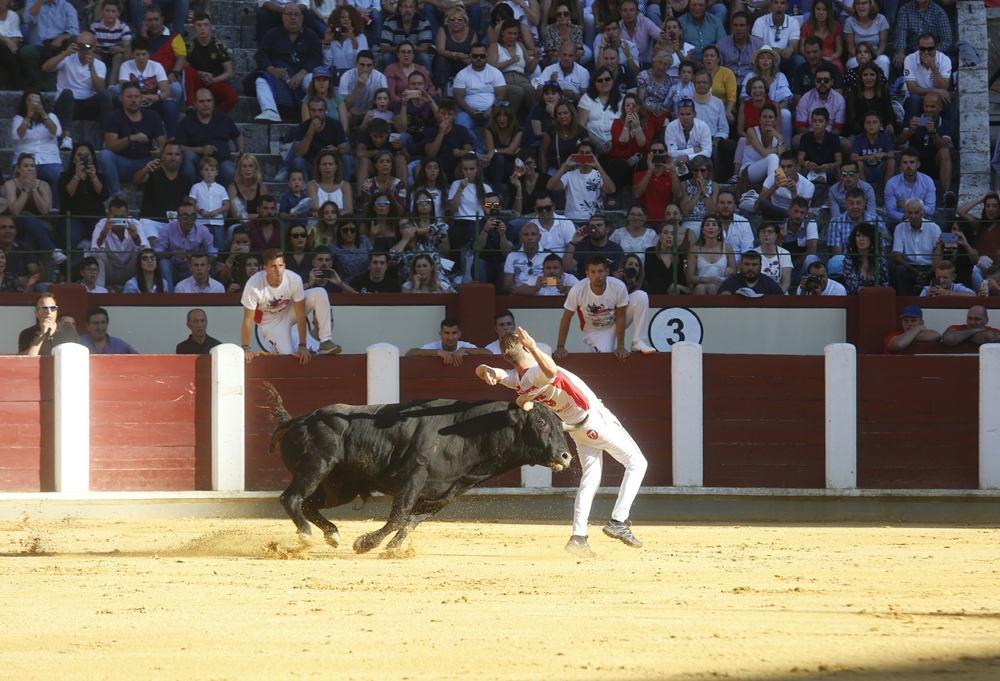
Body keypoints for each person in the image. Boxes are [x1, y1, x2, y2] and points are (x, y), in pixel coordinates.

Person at [477, 326, 648, 557]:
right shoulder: (537, 371)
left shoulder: (517, 380)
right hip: (595, 421)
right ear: (524, 347)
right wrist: (534, 347)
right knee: (637, 463)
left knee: (590, 479)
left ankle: (578, 537)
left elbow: (492, 372)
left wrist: (483, 369)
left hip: (577, 428)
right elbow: (550, 369)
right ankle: (619, 519)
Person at [241, 247, 342, 363]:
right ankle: (293, 343)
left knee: (320, 293)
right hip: (270, 323)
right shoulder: (253, 285)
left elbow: (300, 315)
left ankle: (325, 340)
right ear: (265, 268)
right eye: (273, 266)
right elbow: (248, 320)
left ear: (284, 265)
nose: (278, 270)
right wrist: (245, 347)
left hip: (289, 310)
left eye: (280, 266)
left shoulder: (294, 279)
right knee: (287, 357)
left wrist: (302, 345)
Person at [555, 254, 655, 358]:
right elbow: (566, 318)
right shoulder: (577, 290)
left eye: (600, 271)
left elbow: (620, 316)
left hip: (615, 321)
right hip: (595, 331)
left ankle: (637, 342)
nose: (597, 275)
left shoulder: (618, 286)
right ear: (587, 273)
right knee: (603, 360)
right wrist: (560, 347)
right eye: (593, 272)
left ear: (607, 272)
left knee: (641, 296)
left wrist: (620, 346)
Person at [247, 3, 323, 124]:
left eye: (297, 14)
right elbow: (261, 55)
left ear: (302, 18)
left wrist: (302, 73)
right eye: (289, 14)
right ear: (282, 17)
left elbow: (316, 57)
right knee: (260, 80)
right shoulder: (272, 34)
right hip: (278, 72)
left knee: (313, 79)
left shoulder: (311, 35)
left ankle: (314, 114)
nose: (293, 18)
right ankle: (270, 110)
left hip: (302, 73)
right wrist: (271, 69)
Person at [46, 33, 112, 153]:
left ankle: (107, 139)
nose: (84, 49)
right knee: (67, 93)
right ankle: (66, 137)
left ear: (93, 47)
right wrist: (65, 53)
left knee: (106, 95)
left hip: (88, 105)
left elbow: (100, 90)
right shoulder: (67, 57)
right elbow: (46, 68)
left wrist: (91, 67)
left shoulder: (99, 65)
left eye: (87, 46)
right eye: (81, 45)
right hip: (66, 105)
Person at [99, 82, 166, 198]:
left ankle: (165, 194)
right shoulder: (113, 117)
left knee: (172, 156)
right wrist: (130, 139)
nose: (134, 100)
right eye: (129, 97)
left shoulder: (152, 116)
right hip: (123, 164)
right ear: (122, 99)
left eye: (137, 97)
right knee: (104, 155)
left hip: (147, 162)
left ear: (141, 98)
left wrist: (159, 150)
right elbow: (109, 146)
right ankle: (117, 196)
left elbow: (164, 144)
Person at [176, 87, 244, 187]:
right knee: (188, 156)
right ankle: (188, 196)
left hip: (221, 163)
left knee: (230, 171)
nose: (206, 104)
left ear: (213, 102)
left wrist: (240, 150)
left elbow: (238, 136)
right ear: (195, 103)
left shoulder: (224, 118)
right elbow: (179, 147)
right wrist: (200, 150)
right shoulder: (186, 122)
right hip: (198, 163)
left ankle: (226, 200)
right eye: (202, 101)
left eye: (209, 101)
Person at [11, 90, 63, 209]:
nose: (33, 103)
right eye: (30, 100)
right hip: (26, 159)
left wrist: (43, 113)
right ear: (25, 103)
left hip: (49, 158)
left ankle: (55, 210)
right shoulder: (19, 118)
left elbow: (56, 132)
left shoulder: (51, 116)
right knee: (20, 176)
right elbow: (18, 135)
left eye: (36, 100)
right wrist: (28, 116)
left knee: (59, 176)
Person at [897, 91, 952, 199]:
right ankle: (902, 195)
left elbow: (944, 146)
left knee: (945, 152)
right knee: (906, 154)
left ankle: (946, 194)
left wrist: (933, 133)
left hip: (935, 163)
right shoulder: (914, 120)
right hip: (916, 162)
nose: (928, 109)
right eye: (926, 106)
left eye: (932, 106)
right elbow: (899, 142)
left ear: (940, 108)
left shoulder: (946, 124)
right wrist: (910, 130)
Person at [452, 42, 506, 152]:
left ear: (486, 56)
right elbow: (458, 97)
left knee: (501, 120)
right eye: (475, 56)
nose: (478, 59)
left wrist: (491, 110)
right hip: (468, 112)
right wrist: (470, 110)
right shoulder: (462, 74)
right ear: (470, 56)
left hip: (491, 111)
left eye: (482, 56)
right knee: (459, 123)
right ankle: (476, 145)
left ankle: (479, 151)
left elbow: (501, 94)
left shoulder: (495, 72)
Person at [154, 197, 217, 291]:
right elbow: (156, 253)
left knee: (203, 266)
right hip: (172, 269)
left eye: (192, 216)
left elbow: (213, 254)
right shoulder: (167, 229)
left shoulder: (202, 230)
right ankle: (168, 296)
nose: (189, 220)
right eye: (185, 216)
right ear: (178, 217)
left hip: (191, 270)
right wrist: (172, 253)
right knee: (164, 263)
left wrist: (195, 260)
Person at [134, 140, 191, 241]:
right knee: (153, 243)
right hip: (150, 222)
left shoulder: (185, 179)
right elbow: (137, 180)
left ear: (181, 157)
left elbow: (185, 205)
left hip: (173, 224)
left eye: (177, 154)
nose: (173, 158)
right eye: (169, 154)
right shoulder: (153, 171)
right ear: (162, 156)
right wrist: (145, 170)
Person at [182, 13, 238, 112]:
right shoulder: (189, 46)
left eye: (205, 25)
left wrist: (214, 80)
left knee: (233, 97)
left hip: (215, 82)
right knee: (189, 70)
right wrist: (198, 73)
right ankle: (190, 107)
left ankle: (214, 116)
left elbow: (229, 73)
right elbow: (185, 69)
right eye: (199, 25)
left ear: (210, 27)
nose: (203, 28)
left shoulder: (219, 46)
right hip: (198, 82)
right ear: (194, 27)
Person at [548, 141, 615, 222]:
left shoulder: (599, 175)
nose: (584, 156)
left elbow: (611, 190)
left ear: (593, 156)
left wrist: (598, 166)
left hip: (594, 221)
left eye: (588, 153)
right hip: (572, 221)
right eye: (581, 153)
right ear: (577, 155)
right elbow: (550, 186)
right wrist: (565, 166)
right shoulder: (569, 175)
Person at [91, 197, 150, 288]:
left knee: (143, 255)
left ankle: (143, 289)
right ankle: (100, 291)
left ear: (127, 215)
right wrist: (104, 233)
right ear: (108, 215)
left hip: (130, 269)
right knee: (99, 255)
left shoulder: (135, 223)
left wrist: (135, 237)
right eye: (115, 217)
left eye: (122, 217)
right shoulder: (102, 224)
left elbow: (147, 251)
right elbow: (94, 253)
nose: (118, 220)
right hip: (109, 270)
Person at [19, 0, 79, 89]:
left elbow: (74, 30)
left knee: (75, 40)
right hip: (39, 46)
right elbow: (27, 19)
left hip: (59, 46)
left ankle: (73, 82)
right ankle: (37, 86)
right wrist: (39, 2)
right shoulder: (32, 2)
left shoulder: (66, 6)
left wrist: (60, 38)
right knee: (26, 51)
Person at [138, 5, 188, 107]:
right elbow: (128, 56)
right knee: (117, 90)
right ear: (145, 23)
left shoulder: (174, 36)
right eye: (149, 20)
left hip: (165, 80)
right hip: (142, 80)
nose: (153, 23)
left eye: (156, 19)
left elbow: (181, 58)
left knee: (176, 89)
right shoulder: (141, 38)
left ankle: (166, 112)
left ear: (162, 19)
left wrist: (174, 73)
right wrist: (144, 40)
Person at [892, 197, 941, 297]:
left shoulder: (934, 228)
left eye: (916, 212)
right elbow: (896, 256)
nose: (913, 216)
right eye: (909, 213)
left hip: (931, 268)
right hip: (910, 268)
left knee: (942, 270)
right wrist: (916, 272)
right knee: (899, 270)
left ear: (923, 212)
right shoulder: (900, 228)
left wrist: (928, 273)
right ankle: (903, 302)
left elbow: (939, 254)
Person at [487, 18, 537, 116]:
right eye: (509, 33)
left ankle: (533, 121)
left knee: (530, 89)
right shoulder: (495, 46)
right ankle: (509, 121)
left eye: (515, 34)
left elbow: (530, 68)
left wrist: (537, 57)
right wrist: (509, 62)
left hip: (521, 78)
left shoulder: (520, 45)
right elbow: (490, 67)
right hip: (503, 79)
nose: (512, 37)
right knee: (517, 91)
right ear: (502, 32)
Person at [754, 151, 814, 223]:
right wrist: (774, 187)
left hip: (794, 219)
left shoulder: (808, 185)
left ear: (797, 167)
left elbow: (797, 213)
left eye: (789, 166)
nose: (785, 170)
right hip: (774, 215)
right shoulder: (771, 178)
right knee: (764, 203)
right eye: (782, 167)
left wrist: (793, 192)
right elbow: (756, 206)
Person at [893, 0, 952, 73]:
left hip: (932, 51)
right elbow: (902, 31)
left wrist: (934, 53)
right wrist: (900, 51)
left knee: (949, 62)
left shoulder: (939, 12)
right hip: (911, 51)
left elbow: (946, 39)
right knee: (898, 61)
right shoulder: (905, 9)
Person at [338, 50, 390, 129]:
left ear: (373, 66)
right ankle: (347, 139)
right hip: (351, 112)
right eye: (362, 65)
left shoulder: (380, 78)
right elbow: (345, 106)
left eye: (369, 65)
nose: (365, 69)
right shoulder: (346, 76)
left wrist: (371, 113)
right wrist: (358, 87)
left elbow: (384, 103)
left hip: (370, 112)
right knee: (346, 115)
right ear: (356, 64)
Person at [405, 318, 491, 365]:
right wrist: (437, 352)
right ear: (440, 334)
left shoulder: (464, 346)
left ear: (459, 334)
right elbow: (409, 353)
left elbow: (489, 353)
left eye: (454, 333)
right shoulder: (434, 346)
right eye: (447, 333)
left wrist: (465, 350)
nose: (450, 337)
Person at [751, 0, 803, 77]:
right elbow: (756, 46)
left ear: (787, 6)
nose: (779, 6)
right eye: (776, 3)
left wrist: (791, 48)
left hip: (785, 60)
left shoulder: (793, 22)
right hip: (766, 59)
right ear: (771, 5)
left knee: (798, 60)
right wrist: (772, 51)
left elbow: (794, 46)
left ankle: (792, 87)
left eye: (782, 3)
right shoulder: (760, 21)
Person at [884, 147, 935, 224]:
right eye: (905, 162)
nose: (908, 166)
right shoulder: (891, 183)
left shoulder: (928, 181)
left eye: (912, 162)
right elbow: (890, 212)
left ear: (918, 164)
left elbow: (931, 209)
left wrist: (908, 203)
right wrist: (910, 216)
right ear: (901, 164)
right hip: (901, 222)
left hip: (923, 222)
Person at [564, 214, 625, 278]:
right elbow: (566, 268)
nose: (595, 228)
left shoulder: (616, 249)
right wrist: (573, 242)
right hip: (584, 285)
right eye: (592, 226)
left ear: (607, 229)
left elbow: (617, 275)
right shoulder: (581, 246)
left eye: (599, 225)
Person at [380, 0, 433, 70]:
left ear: (415, 10)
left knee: (424, 57)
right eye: (405, 6)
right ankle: (387, 80)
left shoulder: (423, 22)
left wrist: (412, 48)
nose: (408, 10)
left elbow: (425, 48)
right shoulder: (390, 22)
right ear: (399, 8)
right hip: (396, 55)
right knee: (386, 57)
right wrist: (399, 48)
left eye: (411, 7)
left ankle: (426, 80)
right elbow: (383, 48)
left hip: (414, 55)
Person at [433, 5, 477, 90]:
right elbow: (440, 50)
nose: (456, 22)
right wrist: (455, 55)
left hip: (463, 64)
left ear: (465, 21)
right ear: (449, 21)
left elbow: (474, 53)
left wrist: (468, 58)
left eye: (459, 19)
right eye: (453, 19)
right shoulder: (444, 29)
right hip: (447, 63)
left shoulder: (472, 33)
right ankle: (442, 90)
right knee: (440, 59)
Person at [845, 64, 895, 138]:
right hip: (859, 134)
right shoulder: (853, 93)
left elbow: (890, 115)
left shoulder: (884, 91)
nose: (869, 78)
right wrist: (868, 132)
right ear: (861, 77)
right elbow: (852, 120)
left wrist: (890, 125)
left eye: (872, 75)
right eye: (865, 75)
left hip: (880, 132)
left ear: (877, 76)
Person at [843, 0, 890, 79]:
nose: (860, 6)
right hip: (857, 56)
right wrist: (862, 57)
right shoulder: (849, 21)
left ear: (871, 5)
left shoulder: (881, 19)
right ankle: (857, 89)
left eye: (864, 3)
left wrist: (871, 57)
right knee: (854, 62)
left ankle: (883, 89)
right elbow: (850, 47)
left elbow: (882, 45)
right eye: (858, 3)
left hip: (875, 55)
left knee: (884, 60)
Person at [842, 221, 891, 295]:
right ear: (854, 239)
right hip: (855, 300)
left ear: (871, 238)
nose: (861, 239)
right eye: (858, 235)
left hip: (878, 299)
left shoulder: (880, 258)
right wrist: (874, 291)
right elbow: (853, 288)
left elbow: (885, 284)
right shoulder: (849, 260)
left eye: (865, 235)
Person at [632, 141, 675, 222]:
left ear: (666, 154)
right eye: (654, 152)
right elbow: (637, 194)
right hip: (644, 223)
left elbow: (679, 194)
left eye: (661, 151)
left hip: (665, 223)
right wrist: (650, 171)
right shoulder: (639, 175)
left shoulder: (671, 175)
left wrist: (672, 170)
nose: (657, 154)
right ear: (648, 155)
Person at [502, 221, 547, 294]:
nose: (530, 238)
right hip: (519, 298)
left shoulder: (549, 256)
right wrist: (517, 290)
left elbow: (554, 282)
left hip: (543, 298)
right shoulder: (512, 256)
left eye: (533, 234)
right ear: (521, 238)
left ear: (539, 237)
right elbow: (506, 287)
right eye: (526, 234)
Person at [717, 11, 763, 83]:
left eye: (742, 25)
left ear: (748, 27)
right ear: (732, 27)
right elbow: (717, 68)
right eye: (735, 25)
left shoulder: (758, 46)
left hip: (750, 86)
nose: (738, 28)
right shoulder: (722, 44)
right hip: (727, 83)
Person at [850, 111, 895, 184]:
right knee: (858, 163)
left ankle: (888, 191)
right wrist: (868, 157)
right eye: (868, 122)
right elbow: (853, 157)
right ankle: (862, 191)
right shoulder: (859, 138)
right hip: (865, 171)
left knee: (891, 161)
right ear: (864, 125)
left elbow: (892, 154)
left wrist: (883, 154)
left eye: (874, 122)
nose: (871, 125)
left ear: (880, 125)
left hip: (879, 170)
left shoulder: (885, 138)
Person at [717, 251, 786, 295]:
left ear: (761, 266)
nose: (750, 268)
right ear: (741, 265)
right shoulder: (729, 283)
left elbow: (781, 303)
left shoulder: (769, 284)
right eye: (747, 264)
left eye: (754, 265)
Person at [0, 0, 23, 91]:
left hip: (7, 49)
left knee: (12, 57)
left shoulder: (13, 15)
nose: (2, 1)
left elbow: (16, 38)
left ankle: (19, 90)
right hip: (6, 46)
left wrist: (6, 42)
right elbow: (11, 40)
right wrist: (6, 40)